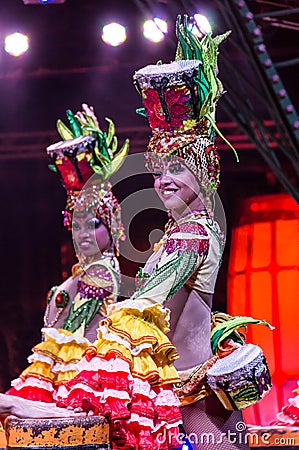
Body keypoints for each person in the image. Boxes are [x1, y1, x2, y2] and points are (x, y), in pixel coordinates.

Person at [0, 16, 271, 450]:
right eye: (159, 169)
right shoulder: (178, 234)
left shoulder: (193, 235)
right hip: (180, 385)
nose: (162, 179)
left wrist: (93, 387)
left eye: (177, 168)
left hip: (194, 394)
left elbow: (144, 308)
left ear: (204, 171)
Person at [1, 104, 128, 405]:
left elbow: (71, 333)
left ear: (112, 225)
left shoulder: (102, 272)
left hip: (86, 376)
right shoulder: (82, 274)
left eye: (94, 224)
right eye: (77, 225)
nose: (83, 234)